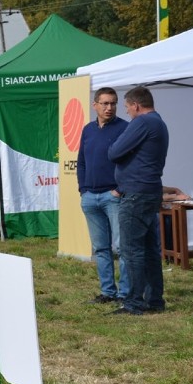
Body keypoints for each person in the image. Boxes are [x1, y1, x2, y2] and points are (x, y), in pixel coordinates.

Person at [108, 86, 169, 316]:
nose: (127, 113)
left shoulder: (142, 123)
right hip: (150, 190)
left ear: (136, 105)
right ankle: (154, 300)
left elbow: (114, 152)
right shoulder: (159, 122)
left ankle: (134, 302)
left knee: (132, 249)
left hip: (136, 193)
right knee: (149, 249)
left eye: (126, 108)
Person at [77, 87, 129, 304]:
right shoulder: (88, 130)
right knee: (100, 248)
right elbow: (81, 161)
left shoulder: (125, 128)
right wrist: (83, 189)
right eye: (105, 103)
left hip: (113, 197)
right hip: (90, 197)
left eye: (113, 103)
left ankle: (126, 293)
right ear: (95, 105)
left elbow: (130, 163)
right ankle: (108, 292)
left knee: (123, 247)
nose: (110, 108)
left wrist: (118, 189)